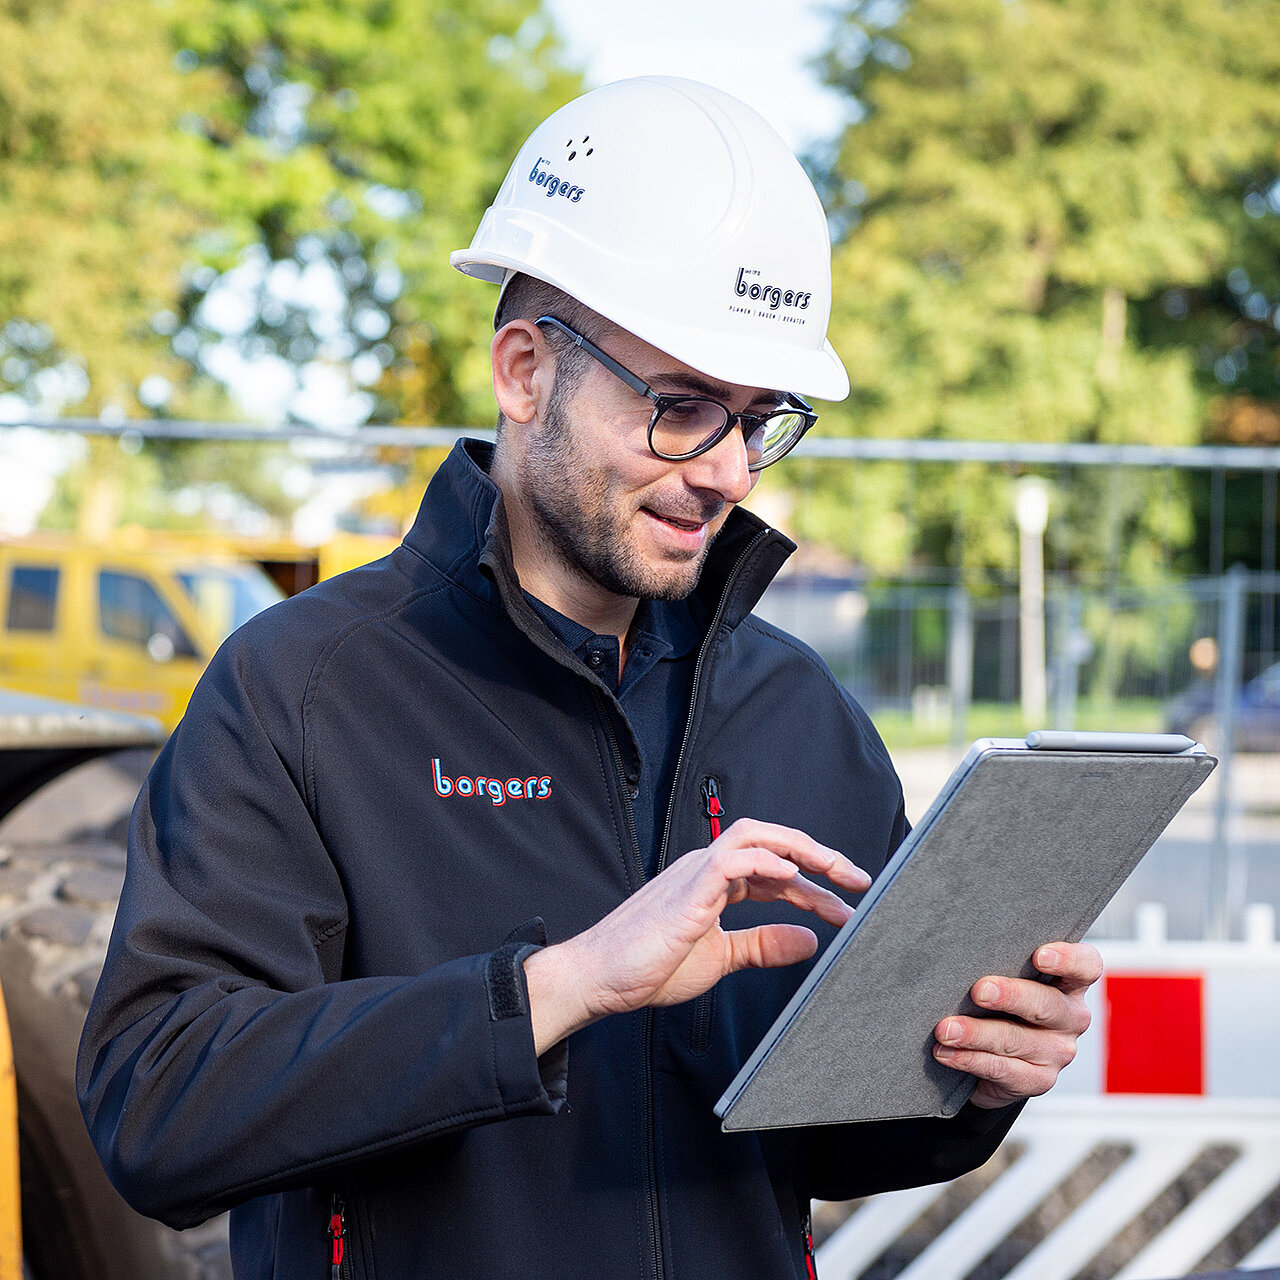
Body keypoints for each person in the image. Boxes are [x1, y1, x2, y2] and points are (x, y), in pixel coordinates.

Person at [78, 77, 1099, 1280]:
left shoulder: (797, 713)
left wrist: (971, 1071)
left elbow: (820, 1139)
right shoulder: (301, 689)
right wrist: (556, 988)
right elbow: (157, 1106)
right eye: (678, 408)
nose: (723, 470)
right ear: (523, 371)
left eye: (755, 418)